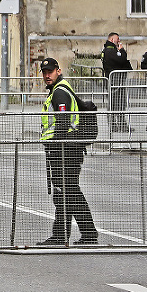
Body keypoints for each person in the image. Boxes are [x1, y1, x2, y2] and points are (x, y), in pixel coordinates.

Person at [37, 57, 98, 247]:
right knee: (69, 192)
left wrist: (56, 146)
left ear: (58, 70)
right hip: (68, 148)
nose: (47, 75)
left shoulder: (60, 93)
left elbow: (62, 123)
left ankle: (64, 235)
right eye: (44, 72)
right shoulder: (60, 89)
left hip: (65, 149)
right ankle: (85, 234)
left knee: (65, 192)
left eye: (50, 71)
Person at [101, 32, 132, 133]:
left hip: (117, 80)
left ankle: (122, 125)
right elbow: (121, 60)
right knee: (115, 104)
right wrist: (122, 50)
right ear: (112, 39)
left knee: (120, 104)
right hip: (114, 81)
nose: (119, 41)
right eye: (117, 39)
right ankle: (114, 126)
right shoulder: (109, 51)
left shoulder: (111, 50)